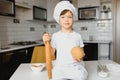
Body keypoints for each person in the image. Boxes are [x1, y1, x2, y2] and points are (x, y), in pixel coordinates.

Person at [42, 1, 88, 80]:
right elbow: (51, 53)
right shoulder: (55, 36)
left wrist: (80, 57)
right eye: (63, 17)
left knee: (82, 76)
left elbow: (81, 53)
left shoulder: (78, 36)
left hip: (74, 66)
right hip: (60, 67)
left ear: (73, 19)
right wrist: (46, 43)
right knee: (55, 77)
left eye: (69, 17)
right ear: (58, 20)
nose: (66, 20)